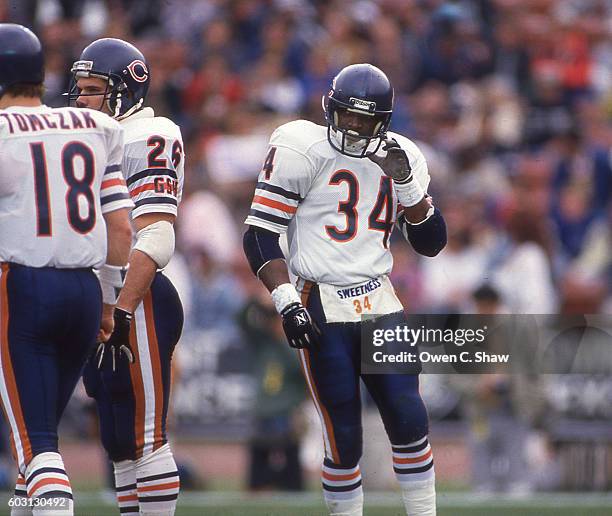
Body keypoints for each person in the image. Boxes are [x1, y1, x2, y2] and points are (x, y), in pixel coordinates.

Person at [243, 63, 447, 515]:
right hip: (321, 302)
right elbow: (259, 234)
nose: (352, 126)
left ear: (384, 121)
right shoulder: (302, 145)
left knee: (409, 418)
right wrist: (286, 302)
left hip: (379, 298)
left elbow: (432, 243)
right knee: (343, 438)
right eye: (346, 115)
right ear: (329, 109)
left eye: (364, 119)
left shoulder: (405, 156)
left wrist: (409, 187)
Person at [0, 24, 133, 516]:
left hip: (25, 289)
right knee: (38, 443)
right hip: (82, 292)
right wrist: (106, 299)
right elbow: (121, 228)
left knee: (36, 445)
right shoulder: (94, 126)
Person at [68, 38, 185, 516]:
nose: (80, 100)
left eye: (92, 89)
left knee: (146, 435)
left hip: (136, 296)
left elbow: (156, 236)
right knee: (118, 437)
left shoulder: (150, 133)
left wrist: (121, 305)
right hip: (98, 297)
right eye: (78, 89)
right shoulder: (89, 136)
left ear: (124, 91)